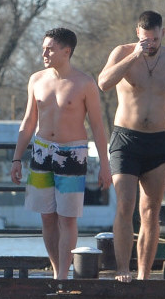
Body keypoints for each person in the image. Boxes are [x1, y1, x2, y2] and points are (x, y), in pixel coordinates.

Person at [98, 11, 165, 281]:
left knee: (151, 210)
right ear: (137, 35)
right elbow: (104, 83)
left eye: (154, 39)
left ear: (163, 33)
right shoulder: (122, 53)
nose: (149, 44)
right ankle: (122, 269)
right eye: (145, 39)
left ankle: (143, 274)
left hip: (158, 141)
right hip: (126, 140)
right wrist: (134, 56)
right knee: (125, 204)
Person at [12, 28, 112, 280]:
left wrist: (104, 164)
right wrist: (16, 157)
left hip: (73, 154)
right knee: (47, 217)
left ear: (66, 51)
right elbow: (28, 121)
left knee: (67, 218)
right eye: (44, 47)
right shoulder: (36, 79)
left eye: (50, 48)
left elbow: (98, 127)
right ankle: (58, 270)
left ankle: (63, 276)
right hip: (42, 151)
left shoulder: (84, 83)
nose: (44, 52)